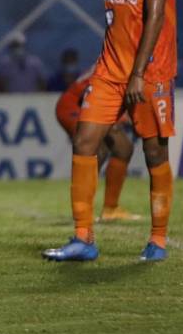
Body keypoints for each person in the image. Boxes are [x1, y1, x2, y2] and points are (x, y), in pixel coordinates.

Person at [44, 0, 177, 263]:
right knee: (85, 140)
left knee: (154, 153)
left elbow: (153, 16)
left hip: (150, 73)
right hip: (109, 72)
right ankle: (84, 238)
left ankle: (158, 240)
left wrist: (138, 73)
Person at [55, 71, 139, 222]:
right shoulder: (120, 63)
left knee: (122, 149)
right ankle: (83, 210)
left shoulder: (117, 59)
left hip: (86, 103)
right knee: (95, 150)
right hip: (74, 106)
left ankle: (110, 209)